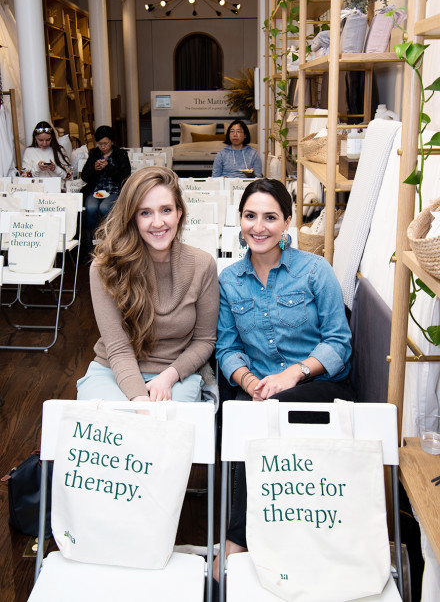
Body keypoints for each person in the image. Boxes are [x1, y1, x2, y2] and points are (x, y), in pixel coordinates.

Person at [214, 178, 353, 575]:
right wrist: (248, 381)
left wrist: (293, 374)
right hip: (259, 391)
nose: (259, 227)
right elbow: (226, 348)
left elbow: (339, 342)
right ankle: (256, 538)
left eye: (270, 217)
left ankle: (236, 542)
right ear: (240, 220)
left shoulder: (315, 270)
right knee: (244, 415)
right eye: (250, 216)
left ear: (288, 222)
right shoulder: (229, 281)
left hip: (321, 386)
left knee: (261, 417)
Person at [77, 166, 219, 405]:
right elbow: (118, 347)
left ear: (179, 213)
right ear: (132, 217)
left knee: (168, 432)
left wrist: (168, 377)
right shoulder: (105, 267)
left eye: (166, 210)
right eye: (145, 213)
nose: (158, 222)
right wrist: (139, 400)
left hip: (175, 373)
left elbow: (205, 340)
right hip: (113, 370)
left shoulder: (203, 264)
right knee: (111, 428)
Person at [81, 125, 131, 234]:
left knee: (104, 207)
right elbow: (84, 176)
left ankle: (109, 234)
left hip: (115, 190)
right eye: (99, 144)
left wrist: (108, 167)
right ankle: (95, 235)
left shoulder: (120, 154)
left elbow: (125, 177)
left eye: (105, 143)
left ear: (112, 142)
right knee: (91, 207)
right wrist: (94, 169)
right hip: (96, 190)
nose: (102, 147)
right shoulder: (94, 154)